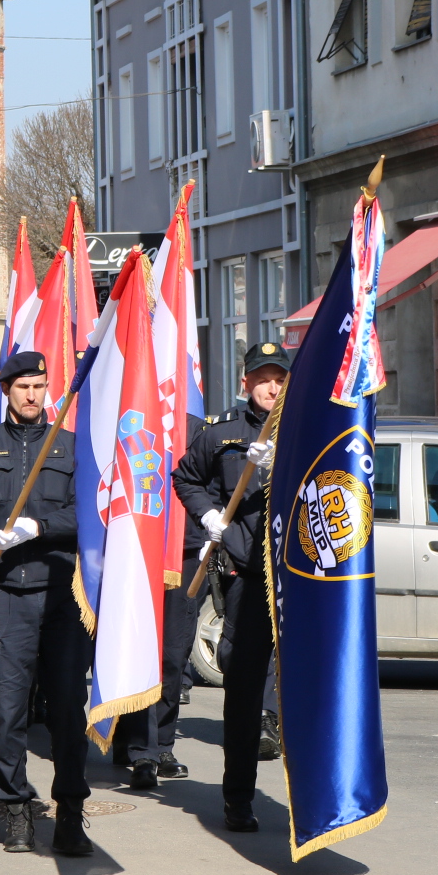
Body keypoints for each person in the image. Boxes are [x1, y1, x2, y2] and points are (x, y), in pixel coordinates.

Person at [0, 350, 91, 857]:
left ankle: (70, 811)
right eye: (23, 387)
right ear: (6, 390)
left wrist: (42, 527)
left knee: (69, 712)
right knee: (5, 713)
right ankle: (16, 808)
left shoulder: (70, 446)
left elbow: (91, 512)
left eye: (40, 386)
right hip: (3, 597)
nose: (32, 395)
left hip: (62, 597)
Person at [172, 339, 290, 834]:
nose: (271, 387)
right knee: (242, 693)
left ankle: (309, 801)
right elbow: (186, 477)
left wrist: (279, 465)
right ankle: (238, 798)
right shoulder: (220, 433)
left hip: (296, 579)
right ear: (246, 382)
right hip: (246, 576)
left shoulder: (306, 432)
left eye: (279, 379)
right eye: (262, 378)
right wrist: (209, 515)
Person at [112, 400, 209, 789]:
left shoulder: (197, 429)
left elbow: (210, 485)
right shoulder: (131, 414)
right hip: (138, 548)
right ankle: (140, 748)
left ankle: (163, 742)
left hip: (184, 552)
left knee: (172, 656)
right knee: (137, 651)